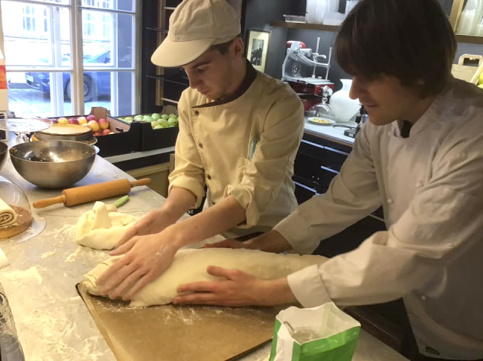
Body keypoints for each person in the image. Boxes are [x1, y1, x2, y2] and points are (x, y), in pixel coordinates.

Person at [172, 0, 483, 360]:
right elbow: (338, 202)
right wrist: (255, 248)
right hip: (421, 317)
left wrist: (264, 291)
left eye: (368, 77)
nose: (353, 93)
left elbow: (403, 256)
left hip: (471, 324)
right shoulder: (382, 127)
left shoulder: (472, 139)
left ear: (417, 71)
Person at [96, 0, 304, 302]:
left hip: (272, 237)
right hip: (212, 230)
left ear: (236, 48)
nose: (192, 82)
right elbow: (189, 173)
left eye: (201, 67)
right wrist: (166, 215)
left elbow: (253, 194)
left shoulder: (280, 104)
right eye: (186, 70)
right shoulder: (190, 100)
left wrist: (173, 236)